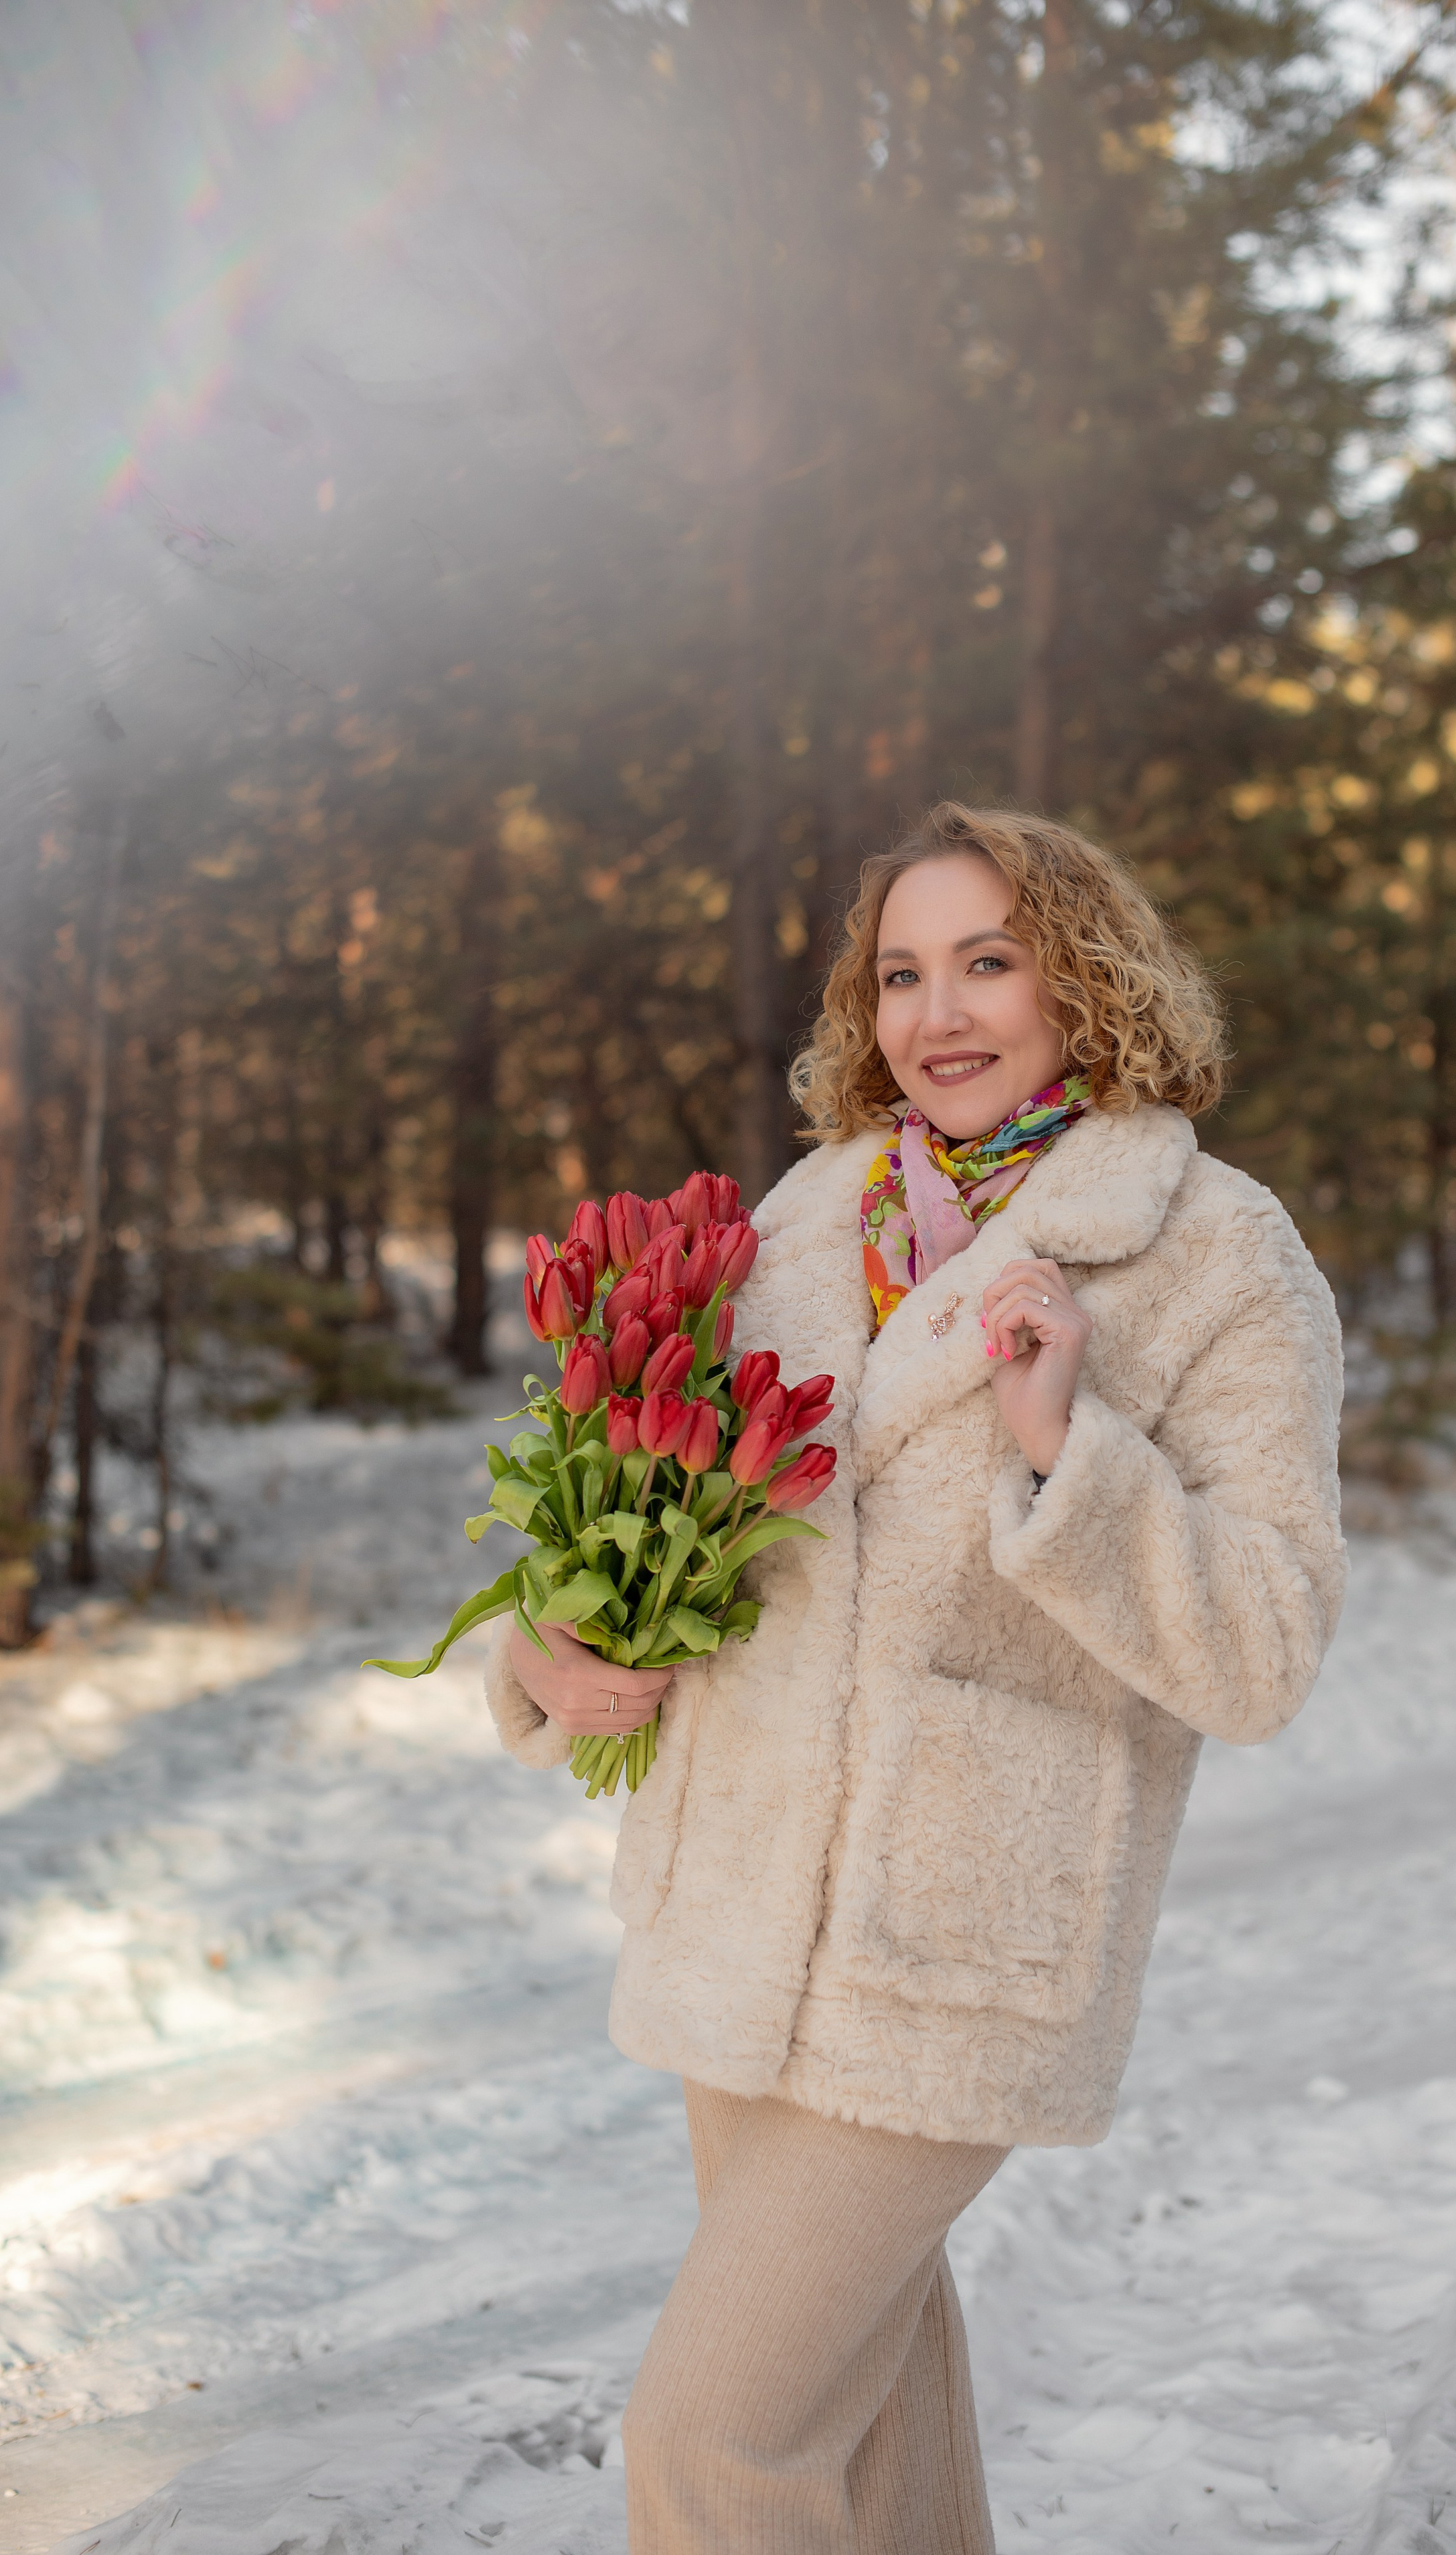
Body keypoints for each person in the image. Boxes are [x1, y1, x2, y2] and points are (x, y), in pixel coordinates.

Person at [484, 801, 1346, 2554]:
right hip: (735, 1904)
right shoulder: (811, 1219)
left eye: (989, 961)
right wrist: (555, 1641)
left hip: (956, 1936)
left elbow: (1263, 1650)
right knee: (870, 2446)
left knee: (715, 2438)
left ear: (1081, 978)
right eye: (901, 973)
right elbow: (671, 1499)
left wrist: (1065, 1453)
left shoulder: (1216, 1257)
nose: (937, 1013)